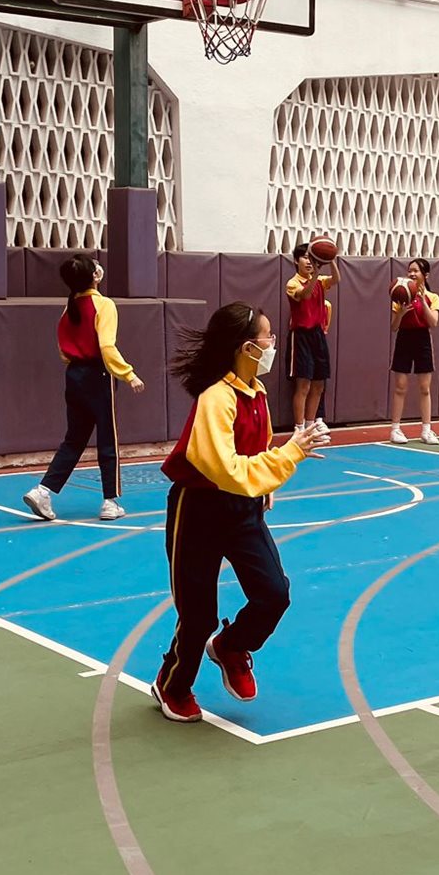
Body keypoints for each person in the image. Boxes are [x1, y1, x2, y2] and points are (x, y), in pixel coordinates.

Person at [152, 304, 326, 723]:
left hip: (242, 508)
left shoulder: (256, 393)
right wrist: (289, 455)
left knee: (274, 593)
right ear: (247, 348)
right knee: (198, 616)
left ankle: (230, 646)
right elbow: (226, 470)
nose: (272, 344)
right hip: (200, 509)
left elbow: (256, 450)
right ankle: (173, 686)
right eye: (268, 337)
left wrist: (265, 485)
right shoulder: (215, 399)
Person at [24, 255, 146, 522]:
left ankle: (42, 491)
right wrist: (128, 374)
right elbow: (106, 346)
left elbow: (62, 349)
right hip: (98, 374)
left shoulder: (68, 309)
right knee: (108, 438)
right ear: (95, 275)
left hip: (74, 375)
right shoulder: (104, 305)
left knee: (74, 439)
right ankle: (110, 501)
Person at [285, 242, 338, 455]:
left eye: (311, 257)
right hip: (301, 335)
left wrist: (330, 259)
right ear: (296, 260)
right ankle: (298, 429)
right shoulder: (292, 283)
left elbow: (336, 279)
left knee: (318, 384)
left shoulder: (321, 280)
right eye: (305, 257)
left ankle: (311, 425)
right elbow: (305, 295)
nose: (308, 261)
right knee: (303, 384)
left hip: (317, 334)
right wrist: (315, 274)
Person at [388, 257, 439, 445]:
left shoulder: (433, 297)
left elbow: (433, 322)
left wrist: (422, 300)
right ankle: (395, 429)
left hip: (422, 339)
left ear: (425, 275)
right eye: (409, 270)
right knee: (400, 386)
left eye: (415, 271)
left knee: (425, 388)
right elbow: (393, 327)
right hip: (404, 338)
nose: (411, 273)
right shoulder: (400, 294)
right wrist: (401, 313)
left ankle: (426, 430)